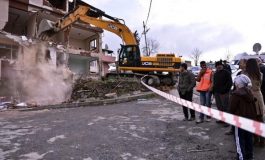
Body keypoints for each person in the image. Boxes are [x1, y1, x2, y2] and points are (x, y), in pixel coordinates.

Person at [230, 74, 256, 160]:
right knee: (249, 138)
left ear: (238, 84)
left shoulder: (236, 94)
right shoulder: (250, 93)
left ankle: (241, 157)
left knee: (239, 140)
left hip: (239, 121)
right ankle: (250, 156)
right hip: (250, 120)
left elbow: (231, 108)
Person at [245, 58, 265, 147]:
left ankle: (256, 139)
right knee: (260, 118)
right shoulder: (260, 74)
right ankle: (262, 140)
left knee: (252, 119)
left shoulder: (245, 75)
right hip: (259, 96)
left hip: (250, 96)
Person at [213, 61, 232, 126]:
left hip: (224, 93)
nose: (218, 66)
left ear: (222, 65)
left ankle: (228, 121)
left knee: (226, 107)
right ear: (216, 67)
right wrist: (214, 91)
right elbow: (214, 83)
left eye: (220, 65)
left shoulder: (227, 73)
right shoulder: (215, 73)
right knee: (219, 107)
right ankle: (222, 119)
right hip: (217, 93)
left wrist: (225, 90)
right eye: (217, 65)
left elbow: (230, 83)